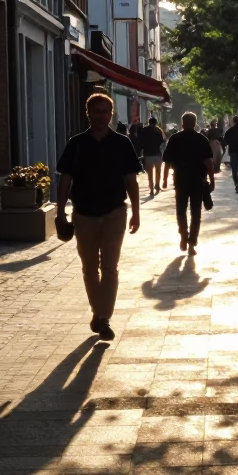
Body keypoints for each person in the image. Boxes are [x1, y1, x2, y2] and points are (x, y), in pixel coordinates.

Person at [56, 94, 142, 342]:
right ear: (88, 114)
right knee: (89, 267)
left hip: (115, 212)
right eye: (97, 111)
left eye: (105, 111)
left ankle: (103, 317)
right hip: (84, 214)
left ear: (111, 114)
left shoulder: (122, 144)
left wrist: (136, 211)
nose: (101, 116)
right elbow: (65, 181)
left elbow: (131, 181)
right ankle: (99, 312)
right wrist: (61, 213)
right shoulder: (76, 144)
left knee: (110, 267)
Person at [162, 112, 216, 256]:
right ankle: (192, 242)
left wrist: (165, 179)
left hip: (180, 180)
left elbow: (167, 161)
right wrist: (212, 180)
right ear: (195, 123)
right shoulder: (201, 139)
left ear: (182, 123)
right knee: (196, 212)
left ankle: (183, 236)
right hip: (198, 180)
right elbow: (208, 162)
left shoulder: (174, 139)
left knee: (181, 211)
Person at [139, 115, 166, 196]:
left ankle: (151, 190)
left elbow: (141, 141)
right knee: (158, 172)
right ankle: (157, 185)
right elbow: (163, 140)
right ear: (156, 123)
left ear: (149, 122)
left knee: (150, 174)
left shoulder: (144, 130)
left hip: (148, 154)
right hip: (157, 154)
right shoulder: (158, 130)